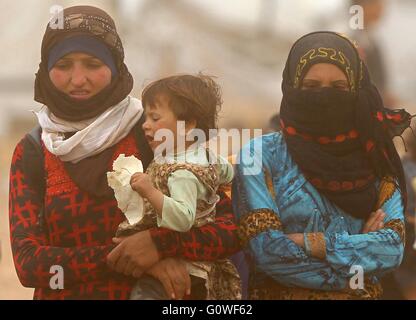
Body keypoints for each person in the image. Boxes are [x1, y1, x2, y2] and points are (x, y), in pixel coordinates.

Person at [8, 5, 240, 300]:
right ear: (45, 68)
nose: (78, 79)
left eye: (92, 63)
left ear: (116, 65)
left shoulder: (152, 132)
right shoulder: (34, 151)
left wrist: (161, 245)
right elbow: (30, 264)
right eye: (64, 64)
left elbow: (230, 227)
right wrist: (125, 259)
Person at [232, 31, 411, 300]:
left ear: (355, 91)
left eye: (338, 88)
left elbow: (391, 250)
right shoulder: (259, 156)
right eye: (311, 87)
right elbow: (268, 253)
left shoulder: (376, 157)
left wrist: (308, 242)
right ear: (292, 88)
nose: (324, 97)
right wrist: (360, 251)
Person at [115, 74, 241, 300]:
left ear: (189, 124)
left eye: (155, 118)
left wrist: (149, 191)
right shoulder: (207, 157)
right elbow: (229, 173)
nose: (145, 125)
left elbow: (183, 219)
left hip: (184, 269)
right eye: (146, 118)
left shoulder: (182, 174)